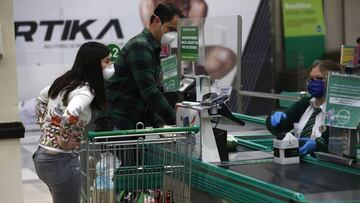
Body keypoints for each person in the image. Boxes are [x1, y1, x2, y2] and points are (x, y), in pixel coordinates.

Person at [32, 41, 113, 203]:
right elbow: (71, 114)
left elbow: (41, 98)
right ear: (94, 65)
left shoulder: (65, 82)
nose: (111, 65)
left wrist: (44, 125)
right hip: (61, 161)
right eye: (107, 61)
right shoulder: (85, 91)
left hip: (42, 157)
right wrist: (63, 140)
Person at [95, 3, 183, 131]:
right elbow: (149, 91)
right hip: (116, 122)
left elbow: (148, 93)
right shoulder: (140, 46)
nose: (173, 35)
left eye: (176, 31)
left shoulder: (152, 49)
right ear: (157, 21)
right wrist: (176, 120)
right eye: (171, 29)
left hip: (130, 121)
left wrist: (159, 123)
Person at [139, 0, 236, 80]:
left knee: (225, 58)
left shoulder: (197, 7)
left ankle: (194, 88)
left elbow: (188, 50)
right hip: (160, 57)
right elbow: (159, 47)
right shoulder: (148, 5)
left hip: (186, 55)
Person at [266, 60, 343, 157]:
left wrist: (318, 147)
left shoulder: (340, 112)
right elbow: (279, 128)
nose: (313, 82)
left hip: (325, 168)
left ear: (333, 81)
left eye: (319, 78)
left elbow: (339, 149)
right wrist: (272, 120)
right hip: (298, 164)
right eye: (310, 79)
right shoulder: (304, 104)